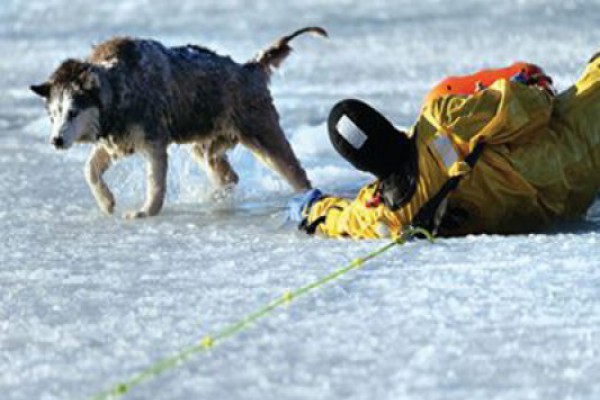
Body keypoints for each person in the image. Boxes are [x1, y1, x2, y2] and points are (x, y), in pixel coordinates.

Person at [288, 57, 600, 239]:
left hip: (562, 207)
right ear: (382, 122)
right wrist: (526, 86)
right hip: (579, 141)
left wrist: (313, 208)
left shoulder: (387, 213)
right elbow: (534, 109)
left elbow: (341, 220)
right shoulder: (442, 120)